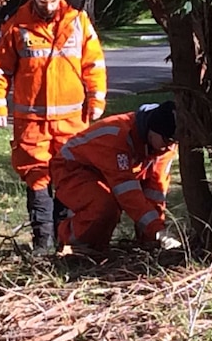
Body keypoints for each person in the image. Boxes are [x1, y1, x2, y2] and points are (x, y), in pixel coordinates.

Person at [0, 0, 107, 255]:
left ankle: (66, 240)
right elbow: (1, 69)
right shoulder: (17, 26)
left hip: (71, 120)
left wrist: (96, 101)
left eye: (55, 0)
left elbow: (94, 65)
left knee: (69, 176)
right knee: (37, 178)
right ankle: (43, 243)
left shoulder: (77, 22)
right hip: (31, 121)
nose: (50, 7)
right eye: (44, 2)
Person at [50, 101, 182, 251]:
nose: (170, 147)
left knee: (111, 210)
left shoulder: (164, 147)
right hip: (72, 168)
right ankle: (68, 243)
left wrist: (154, 235)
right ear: (152, 130)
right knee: (104, 207)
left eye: (174, 142)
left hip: (104, 172)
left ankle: (97, 249)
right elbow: (127, 193)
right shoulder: (116, 136)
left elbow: (155, 192)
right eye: (167, 140)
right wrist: (157, 230)